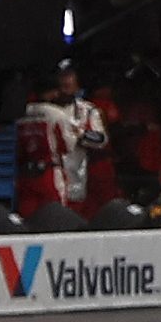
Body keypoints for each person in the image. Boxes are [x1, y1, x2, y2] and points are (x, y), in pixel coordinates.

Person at [14, 71, 104, 229]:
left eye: (69, 76)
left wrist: (81, 134)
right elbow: (65, 145)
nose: (65, 82)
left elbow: (101, 139)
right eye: (62, 78)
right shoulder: (50, 113)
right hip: (52, 175)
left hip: (72, 179)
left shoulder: (86, 110)